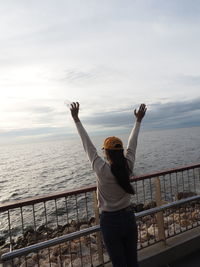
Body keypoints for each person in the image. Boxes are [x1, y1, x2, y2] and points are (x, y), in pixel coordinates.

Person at [70, 102, 147, 267]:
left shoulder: (101, 169)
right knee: (132, 261)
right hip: (128, 218)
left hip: (110, 221)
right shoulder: (129, 165)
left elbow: (87, 145)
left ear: (106, 152)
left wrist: (76, 119)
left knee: (119, 263)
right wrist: (138, 120)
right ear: (121, 152)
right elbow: (133, 142)